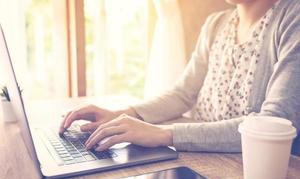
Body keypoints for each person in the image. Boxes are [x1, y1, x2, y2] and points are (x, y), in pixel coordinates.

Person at [59, 0, 300, 154]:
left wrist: (165, 134)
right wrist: (123, 114)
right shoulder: (216, 24)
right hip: (199, 157)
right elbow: (183, 94)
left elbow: (273, 122)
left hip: (250, 172)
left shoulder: (292, 18)